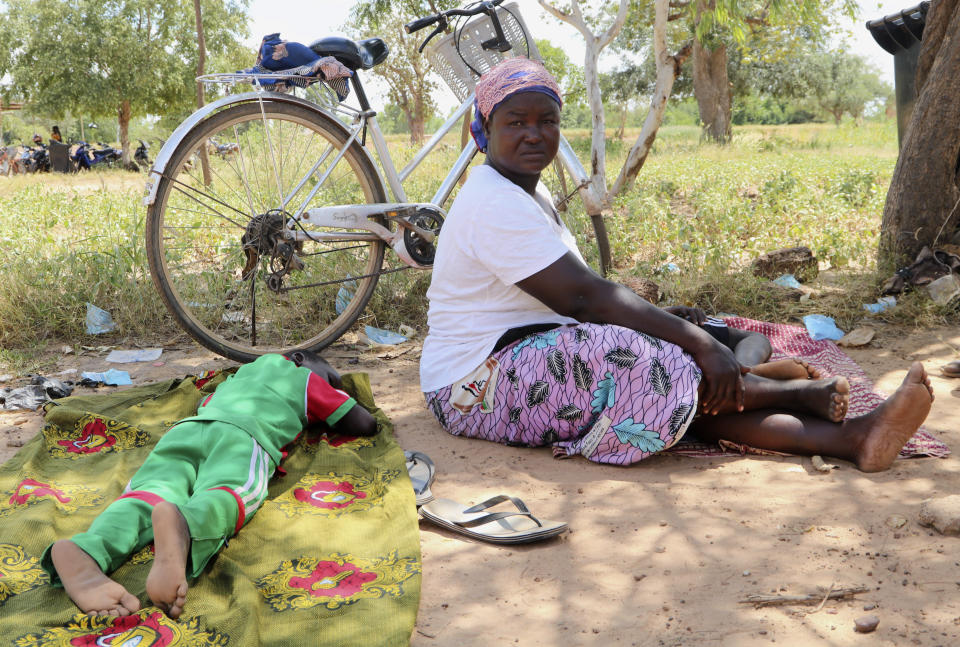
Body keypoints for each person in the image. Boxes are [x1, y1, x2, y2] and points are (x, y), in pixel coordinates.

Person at [420, 57, 933, 471]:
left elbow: (585, 295)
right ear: (481, 132)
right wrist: (697, 344)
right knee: (643, 356)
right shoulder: (490, 200)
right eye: (516, 122)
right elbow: (582, 297)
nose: (534, 134)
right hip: (475, 385)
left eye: (547, 120)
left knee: (663, 375)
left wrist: (687, 333)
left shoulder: (530, 196)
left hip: (530, 354)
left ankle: (854, 438)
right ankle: (788, 392)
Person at [42, 351, 376, 619]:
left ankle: (89, 547)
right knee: (228, 490)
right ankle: (186, 525)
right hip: (245, 436)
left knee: (148, 493)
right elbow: (362, 422)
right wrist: (333, 397)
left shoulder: (239, 376)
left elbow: (207, 405)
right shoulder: (304, 379)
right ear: (305, 365)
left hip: (188, 429)